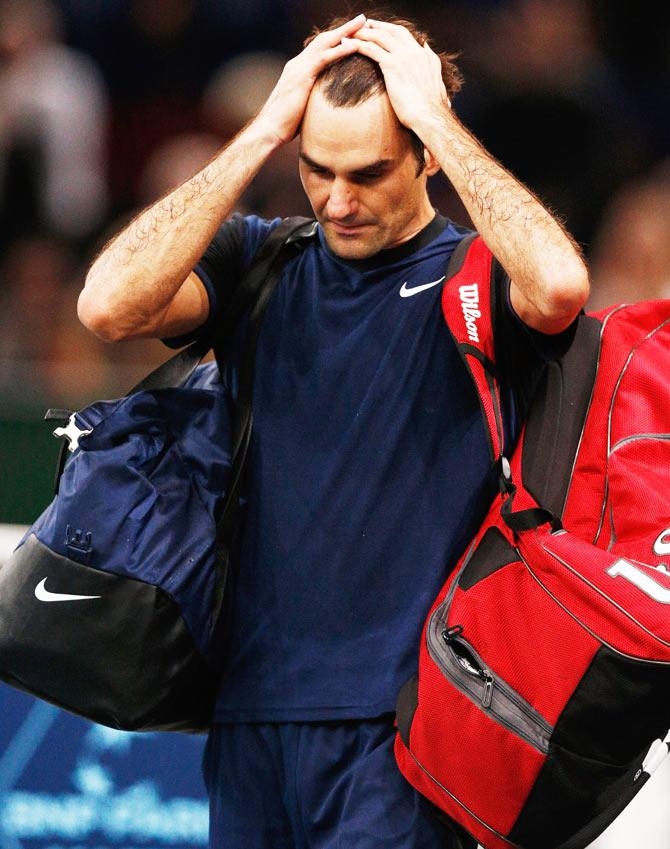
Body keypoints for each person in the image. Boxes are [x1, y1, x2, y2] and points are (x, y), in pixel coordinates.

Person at [78, 13, 589, 849]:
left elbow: (561, 285)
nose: (339, 200)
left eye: (369, 172)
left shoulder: (473, 275)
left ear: (423, 153)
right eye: (318, 169)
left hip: (405, 728)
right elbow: (107, 305)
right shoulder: (262, 259)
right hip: (250, 720)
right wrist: (264, 130)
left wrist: (441, 121)